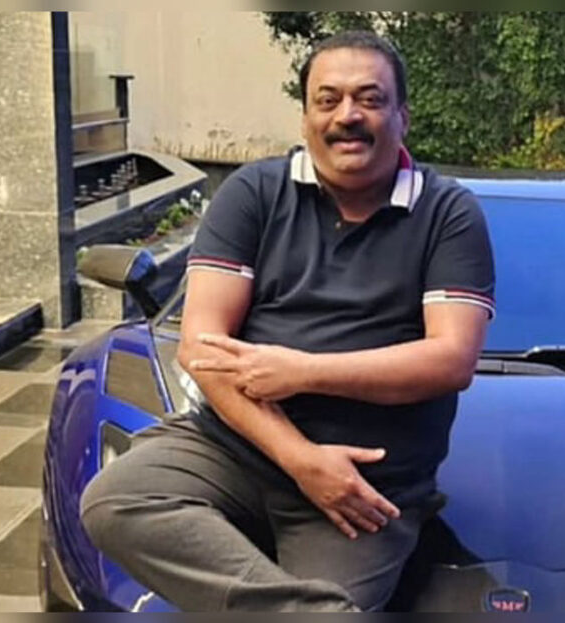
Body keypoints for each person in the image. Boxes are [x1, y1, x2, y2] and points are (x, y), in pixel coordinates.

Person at [80, 30, 495, 612]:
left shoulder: (448, 213)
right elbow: (201, 349)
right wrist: (301, 459)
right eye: (328, 100)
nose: (347, 115)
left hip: (362, 484)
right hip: (236, 447)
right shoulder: (254, 193)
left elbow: (450, 360)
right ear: (305, 118)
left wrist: (301, 371)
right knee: (115, 499)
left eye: (370, 99)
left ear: (402, 116)